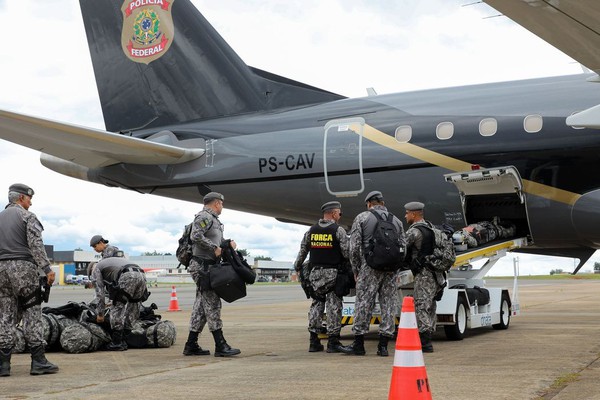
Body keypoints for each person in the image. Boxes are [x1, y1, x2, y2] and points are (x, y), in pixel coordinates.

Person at [0, 183, 59, 376]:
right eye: (29, 199)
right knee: (32, 313)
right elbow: (36, 245)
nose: (30, 203)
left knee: (5, 316)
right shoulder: (27, 216)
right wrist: (47, 269)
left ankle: (3, 364)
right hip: (24, 268)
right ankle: (38, 360)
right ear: (21, 198)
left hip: (1, 269)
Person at [340, 191, 405, 357]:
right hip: (390, 270)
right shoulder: (396, 220)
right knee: (389, 305)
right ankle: (383, 346)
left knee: (363, 304)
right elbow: (403, 248)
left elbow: (353, 248)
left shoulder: (362, 218)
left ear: (369, 203)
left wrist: (356, 270)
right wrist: (396, 269)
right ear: (382, 202)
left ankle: (359, 344)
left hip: (369, 268)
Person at [184, 192, 240, 357]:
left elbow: (213, 241)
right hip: (202, 267)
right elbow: (196, 236)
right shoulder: (204, 216)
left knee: (201, 306)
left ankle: (191, 344)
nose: (222, 207)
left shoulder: (213, 220)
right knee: (213, 304)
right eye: (222, 204)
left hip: (207, 266)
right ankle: (220, 345)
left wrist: (226, 244)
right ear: (217, 203)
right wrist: (214, 248)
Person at [294, 201, 350, 353]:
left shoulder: (311, 231)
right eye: (339, 213)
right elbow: (347, 253)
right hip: (332, 274)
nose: (340, 215)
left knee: (316, 305)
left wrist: (298, 267)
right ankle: (333, 342)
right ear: (333, 213)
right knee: (334, 306)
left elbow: (302, 252)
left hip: (315, 274)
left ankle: (314, 341)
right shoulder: (338, 230)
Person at [404, 201, 442, 353]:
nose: (405, 216)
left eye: (407, 213)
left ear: (413, 214)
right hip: (436, 272)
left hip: (424, 273)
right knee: (431, 304)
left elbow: (401, 247)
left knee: (421, 305)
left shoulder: (414, 232)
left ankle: (425, 343)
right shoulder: (433, 229)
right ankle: (429, 334)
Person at [90, 257, 149, 351]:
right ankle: (125, 340)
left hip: (127, 275)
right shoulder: (108, 264)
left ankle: (116, 343)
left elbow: (100, 293)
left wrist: (100, 314)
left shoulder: (96, 269)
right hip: (141, 274)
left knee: (117, 308)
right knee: (133, 306)